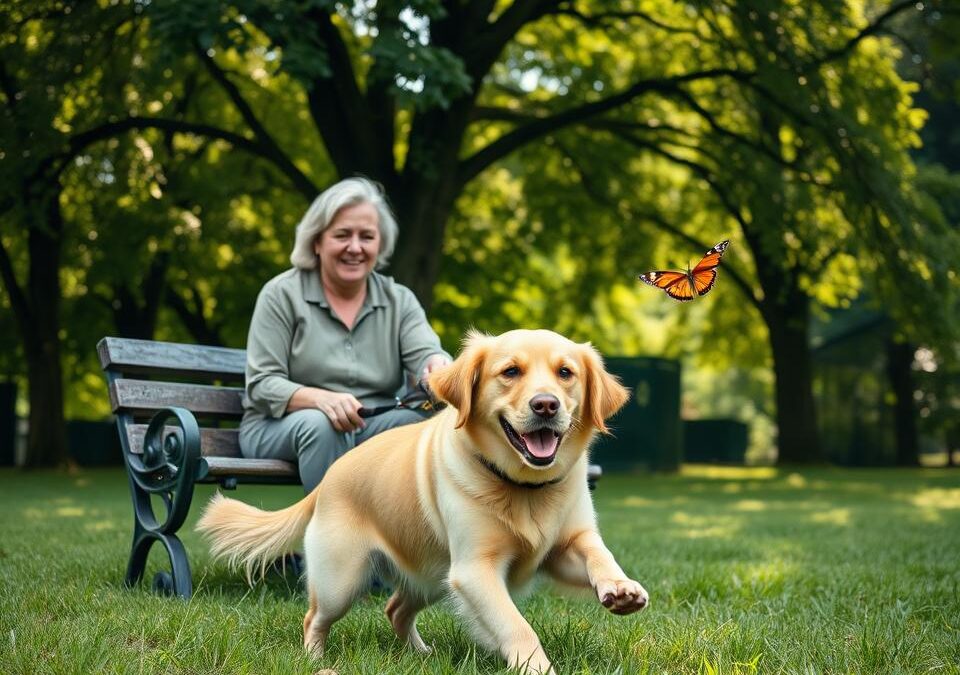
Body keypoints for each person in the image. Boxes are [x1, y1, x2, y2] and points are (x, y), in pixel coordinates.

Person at [239, 177, 452, 493]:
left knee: (425, 425)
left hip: (371, 423)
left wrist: (438, 366)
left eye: (367, 236)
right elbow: (261, 384)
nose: (355, 247)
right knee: (324, 425)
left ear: (380, 244)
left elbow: (428, 353)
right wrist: (321, 399)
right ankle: (335, 541)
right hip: (281, 425)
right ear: (317, 241)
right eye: (342, 235)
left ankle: (403, 538)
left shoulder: (400, 300)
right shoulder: (281, 294)